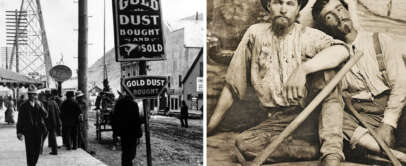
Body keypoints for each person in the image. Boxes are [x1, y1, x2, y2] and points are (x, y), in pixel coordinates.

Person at [207, 0, 352, 165]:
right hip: (278, 121)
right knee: (244, 144)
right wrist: (211, 126)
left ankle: (331, 154)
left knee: (328, 73)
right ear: (269, 5)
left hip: (312, 113)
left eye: (290, 4)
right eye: (278, 2)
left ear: (298, 9)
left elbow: (343, 50)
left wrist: (303, 69)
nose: (283, 9)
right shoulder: (255, 33)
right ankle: (310, 149)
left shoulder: (308, 35)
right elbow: (233, 83)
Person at [292, 0, 406, 164]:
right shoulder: (327, 57)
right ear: (324, 26)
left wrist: (388, 124)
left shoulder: (380, 40)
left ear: (347, 11)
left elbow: (401, 85)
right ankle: (393, 155)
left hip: (394, 108)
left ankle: (377, 152)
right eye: (329, 16)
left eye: (339, 9)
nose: (339, 17)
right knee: (327, 117)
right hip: (359, 116)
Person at [16, 85, 48, 166]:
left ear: (36, 95)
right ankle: (31, 164)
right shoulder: (23, 106)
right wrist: (19, 132)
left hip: (39, 131)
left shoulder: (39, 104)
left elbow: (46, 115)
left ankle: (33, 163)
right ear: (28, 95)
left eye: (34, 94)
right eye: (30, 94)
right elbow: (20, 120)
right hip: (28, 132)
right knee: (30, 151)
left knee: (37, 150)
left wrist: (41, 106)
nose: (32, 96)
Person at [112, 92, 143, 166]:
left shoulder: (119, 104)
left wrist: (116, 132)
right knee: (131, 153)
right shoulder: (133, 104)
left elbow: (114, 118)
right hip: (132, 133)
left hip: (123, 133)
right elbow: (136, 119)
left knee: (126, 152)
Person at [44, 91, 62, 155]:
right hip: (57, 121)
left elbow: (48, 115)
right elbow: (59, 112)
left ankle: (54, 151)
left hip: (52, 122)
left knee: (52, 136)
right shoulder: (55, 103)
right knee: (58, 134)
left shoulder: (48, 104)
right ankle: (59, 145)